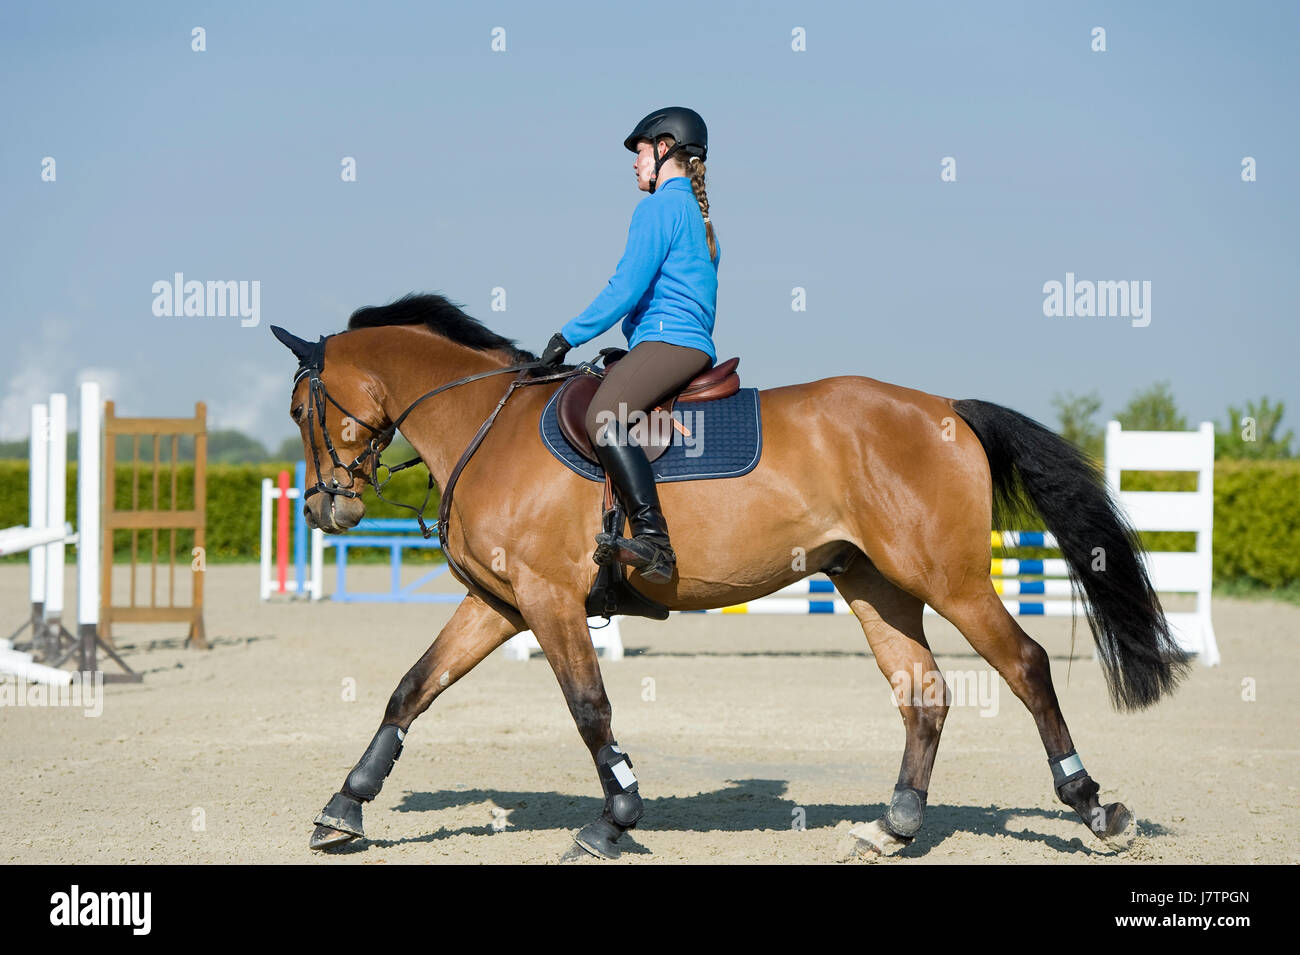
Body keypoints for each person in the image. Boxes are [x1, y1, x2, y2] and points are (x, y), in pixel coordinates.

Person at [538, 106, 720, 585]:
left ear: (663, 150)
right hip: (676, 341)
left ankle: (655, 541)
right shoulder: (695, 213)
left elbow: (625, 289)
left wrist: (565, 337)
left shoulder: (659, 207)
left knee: (603, 416)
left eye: (640, 152)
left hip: (669, 340)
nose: (635, 163)